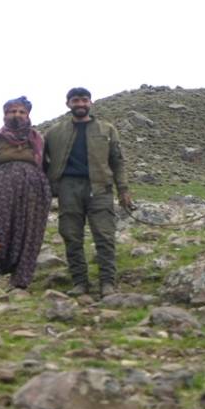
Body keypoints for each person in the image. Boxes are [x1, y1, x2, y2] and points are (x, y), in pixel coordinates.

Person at [43, 86, 133, 298]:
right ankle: (80, 283)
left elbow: (118, 162)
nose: (80, 104)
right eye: (76, 100)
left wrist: (124, 190)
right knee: (71, 235)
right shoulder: (54, 133)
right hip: (68, 188)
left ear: (90, 103)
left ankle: (108, 283)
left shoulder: (107, 129)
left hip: (100, 187)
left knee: (104, 235)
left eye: (84, 100)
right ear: (68, 104)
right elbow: (41, 161)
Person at [0, 96, 51, 290]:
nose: (17, 115)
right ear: (5, 115)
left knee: (28, 235)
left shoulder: (38, 140)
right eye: (12, 111)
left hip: (33, 197)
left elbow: (47, 167)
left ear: (28, 115)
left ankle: (20, 281)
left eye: (21, 112)